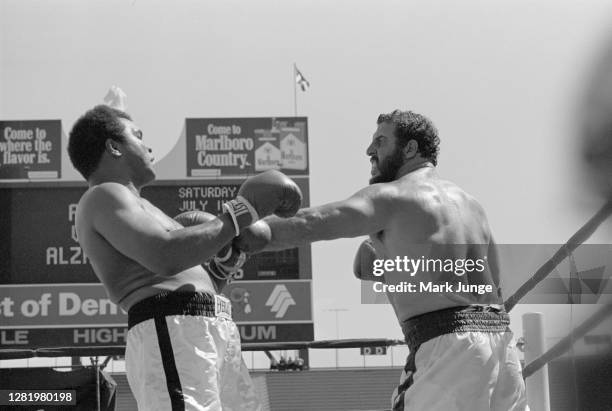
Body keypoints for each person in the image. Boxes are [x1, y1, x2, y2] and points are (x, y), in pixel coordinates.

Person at [236, 110, 528, 410]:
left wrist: (237, 231)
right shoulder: (472, 205)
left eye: (380, 141)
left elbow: (320, 220)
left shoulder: (392, 196)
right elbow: (495, 283)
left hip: (449, 349)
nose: (369, 150)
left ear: (410, 148)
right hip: (501, 348)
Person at [67, 104, 302, 411]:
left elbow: (181, 277)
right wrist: (240, 212)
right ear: (113, 146)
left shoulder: (146, 208)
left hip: (203, 325)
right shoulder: (103, 195)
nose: (148, 145)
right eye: (137, 135)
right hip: (170, 326)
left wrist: (222, 267)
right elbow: (163, 255)